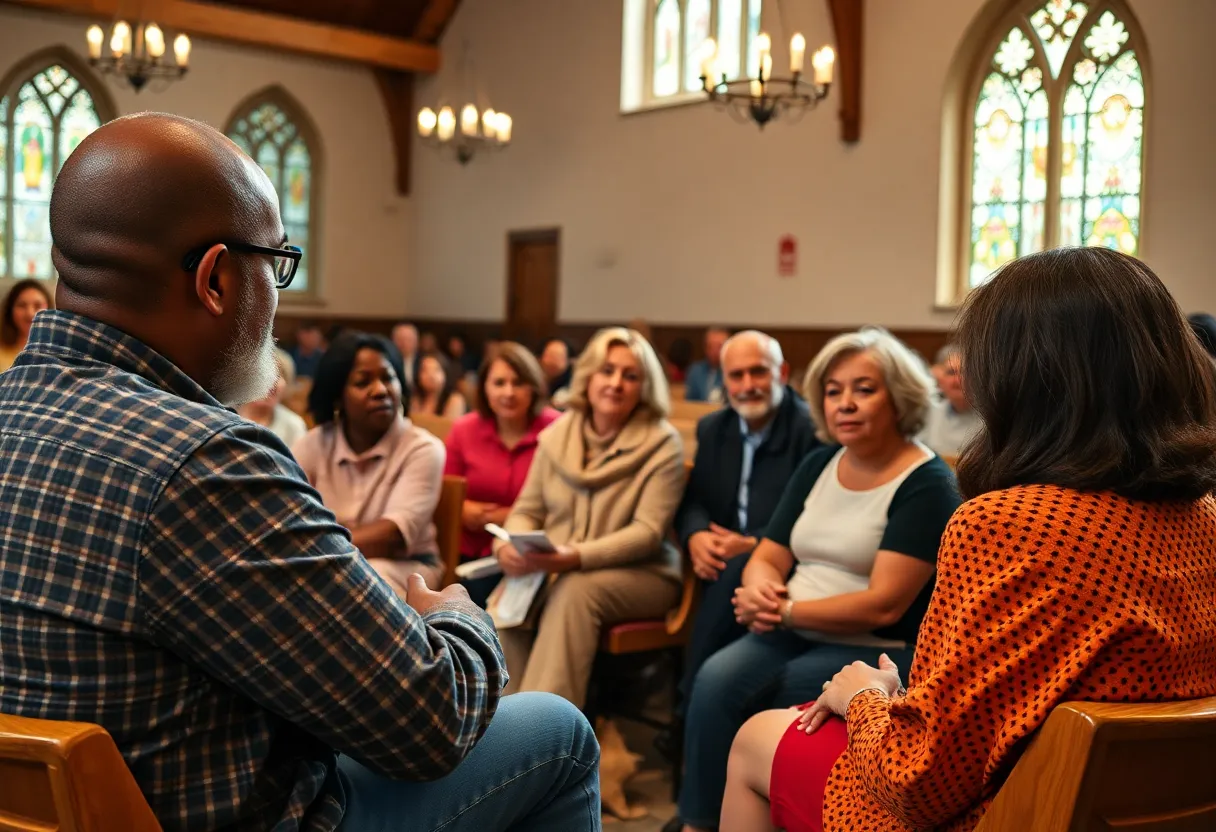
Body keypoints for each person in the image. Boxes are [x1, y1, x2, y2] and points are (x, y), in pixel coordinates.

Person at [0, 112, 600, 832]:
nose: (277, 297)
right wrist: (462, 623)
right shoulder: (205, 462)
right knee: (560, 734)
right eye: (276, 263)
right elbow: (429, 723)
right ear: (217, 278)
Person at [725, 247, 1216, 832]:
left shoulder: (1006, 524)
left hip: (1009, 813)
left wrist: (866, 696)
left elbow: (917, 783)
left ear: (1020, 380)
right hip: (1143, 808)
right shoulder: (1204, 515)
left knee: (756, 738)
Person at [672, 327, 959, 832]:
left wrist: (782, 610)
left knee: (779, 687)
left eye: (863, 389)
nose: (844, 403)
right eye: (833, 390)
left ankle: (766, 808)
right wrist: (760, 585)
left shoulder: (927, 482)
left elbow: (884, 605)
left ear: (900, 398)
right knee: (716, 678)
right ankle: (697, 820)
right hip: (789, 628)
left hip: (874, 650)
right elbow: (769, 552)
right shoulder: (820, 462)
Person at [493, 327, 686, 709]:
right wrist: (506, 545)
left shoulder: (662, 443)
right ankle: (495, 731)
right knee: (509, 595)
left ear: (644, 387)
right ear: (588, 376)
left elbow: (646, 533)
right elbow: (527, 509)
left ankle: (543, 738)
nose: (615, 384)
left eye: (630, 376)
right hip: (560, 565)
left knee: (575, 592)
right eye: (607, 371)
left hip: (644, 574)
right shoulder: (557, 435)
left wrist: (574, 556)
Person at [670, 331, 820, 727]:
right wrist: (696, 534)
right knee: (728, 567)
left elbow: (813, 513)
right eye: (736, 376)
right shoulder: (714, 429)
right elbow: (693, 499)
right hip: (715, 561)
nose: (748, 386)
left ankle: (688, 706)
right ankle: (698, 709)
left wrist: (755, 542)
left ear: (782, 373)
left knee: (738, 567)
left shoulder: (812, 431)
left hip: (785, 566)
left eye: (759, 372)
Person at [295, 332, 448, 591]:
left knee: (362, 581)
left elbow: (392, 538)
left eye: (388, 378)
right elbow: (289, 516)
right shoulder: (313, 444)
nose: (380, 390)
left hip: (405, 567)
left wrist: (316, 542)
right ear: (337, 395)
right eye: (363, 382)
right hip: (325, 562)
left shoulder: (423, 448)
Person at [444, 342, 560, 606]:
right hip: (470, 554)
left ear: (534, 386)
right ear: (484, 387)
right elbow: (444, 493)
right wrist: (465, 509)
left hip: (533, 557)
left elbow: (565, 501)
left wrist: (502, 516)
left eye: (518, 383)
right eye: (499, 383)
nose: (508, 392)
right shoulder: (464, 430)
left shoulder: (556, 429)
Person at [918, 343, 981, 458]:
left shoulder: (991, 418)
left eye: (965, 372)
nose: (957, 380)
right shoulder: (928, 413)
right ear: (939, 379)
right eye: (951, 373)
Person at [238, 345, 308, 447]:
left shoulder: (294, 426)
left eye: (278, 374)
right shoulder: (226, 414)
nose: (271, 381)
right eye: (261, 373)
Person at [0, 278, 52, 371]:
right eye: (22, 305)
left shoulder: (60, 352)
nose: (30, 313)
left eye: (38, 305)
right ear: (10, 311)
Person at [410, 351, 469, 418]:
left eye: (436, 370)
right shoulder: (416, 399)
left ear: (445, 374)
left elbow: (448, 426)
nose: (430, 375)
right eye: (425, 370)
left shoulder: (455, 400)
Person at [685, 326, 729, 402]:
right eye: (710, 346)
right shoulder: (695, 371)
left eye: (719, 346)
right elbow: (690, 401)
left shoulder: (734, 371)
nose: (715, 351)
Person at [539, 336, 573, 404]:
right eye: (550, 356)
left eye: (558, 357)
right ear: (539, 359)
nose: (553, 362)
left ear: (570, 361)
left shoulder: (572, 387)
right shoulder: (535, 381)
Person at [391, 321, 421, 389]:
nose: (405, 343)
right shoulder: (387, 361)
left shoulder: (423, 361)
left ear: (416, 341)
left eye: (409, 339)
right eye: (400, 339)